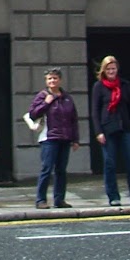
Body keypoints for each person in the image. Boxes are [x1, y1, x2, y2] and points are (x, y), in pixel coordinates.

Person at [90, 54, 130, 206]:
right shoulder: (99, 87)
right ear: (104, 70)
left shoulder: (124, 85)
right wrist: (98, 132)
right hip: (108, 130)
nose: (111, 71)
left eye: (113, 68)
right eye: (108, 69)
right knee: (110, 164)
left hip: (125, 128)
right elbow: (95, 111)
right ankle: (113, 197)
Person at [28, 67, 79, 208]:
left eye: (55, 78)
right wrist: (46, 103)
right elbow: (33, 114)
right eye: (50, 78)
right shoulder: (42, 96)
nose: (52, 81)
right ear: (46, 80)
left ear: (60, 80)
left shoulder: (67, 97)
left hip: (65, 138)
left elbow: (73, 119)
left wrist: (75, 139)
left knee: (61, 170)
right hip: (49, 138)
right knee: (46, 169)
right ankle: (40, 200)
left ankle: (59, 199)